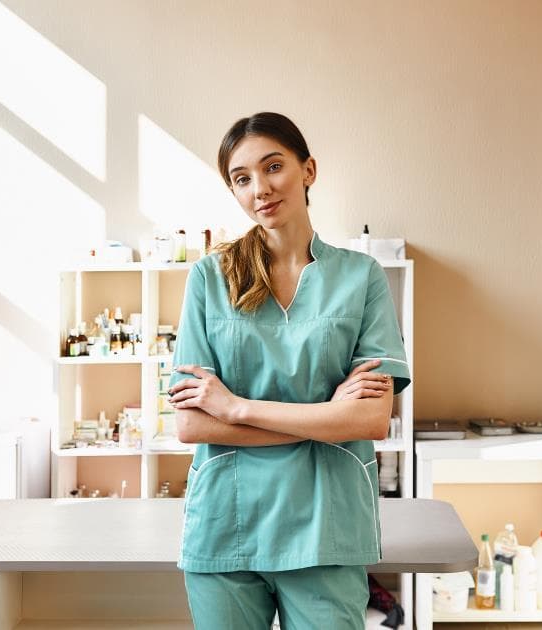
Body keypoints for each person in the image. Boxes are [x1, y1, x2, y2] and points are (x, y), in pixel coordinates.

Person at [167, 112, 411, 629]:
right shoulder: (210, 278)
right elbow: (192, 424)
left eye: (273, 166)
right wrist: (326, 417)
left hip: (326, 526)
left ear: (309, 170)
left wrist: (237, 408)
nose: (260, 188)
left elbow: (369, 420)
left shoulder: (360, 277)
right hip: (226, 525)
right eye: (241, 178)